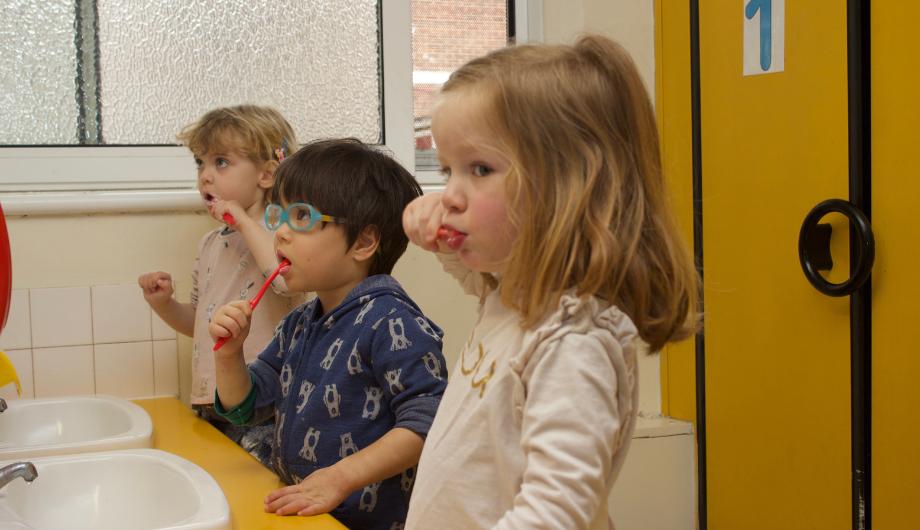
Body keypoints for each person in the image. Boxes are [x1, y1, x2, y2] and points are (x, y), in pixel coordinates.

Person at [401, 35, 701, 529]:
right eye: (447, 168)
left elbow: (557, 513)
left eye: (479, 169)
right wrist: (436, 235)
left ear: (565, 187)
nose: (450, 194)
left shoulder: (572, 342)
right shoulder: (514, 298)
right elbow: (471, 273)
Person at [208, 138, 448, 530]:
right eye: (279, 216)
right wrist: (228, 355)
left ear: (364, 242)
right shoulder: (300, 322)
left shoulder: (392, 322)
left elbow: (429, 420)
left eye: (300, 218)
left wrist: (341, 477)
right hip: (307, 514)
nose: (281, 234)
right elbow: (247, 408)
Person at [138, 105, 300, 465]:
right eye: (200, 163)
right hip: (210, 399)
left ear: (267, 174)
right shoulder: (211, 243)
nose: (205, 176)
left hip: (263, 400)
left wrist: (242, 220)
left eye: (221, 162)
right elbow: (198, 322)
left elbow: (286, 282)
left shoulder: (284, 234)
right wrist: (165, 304)